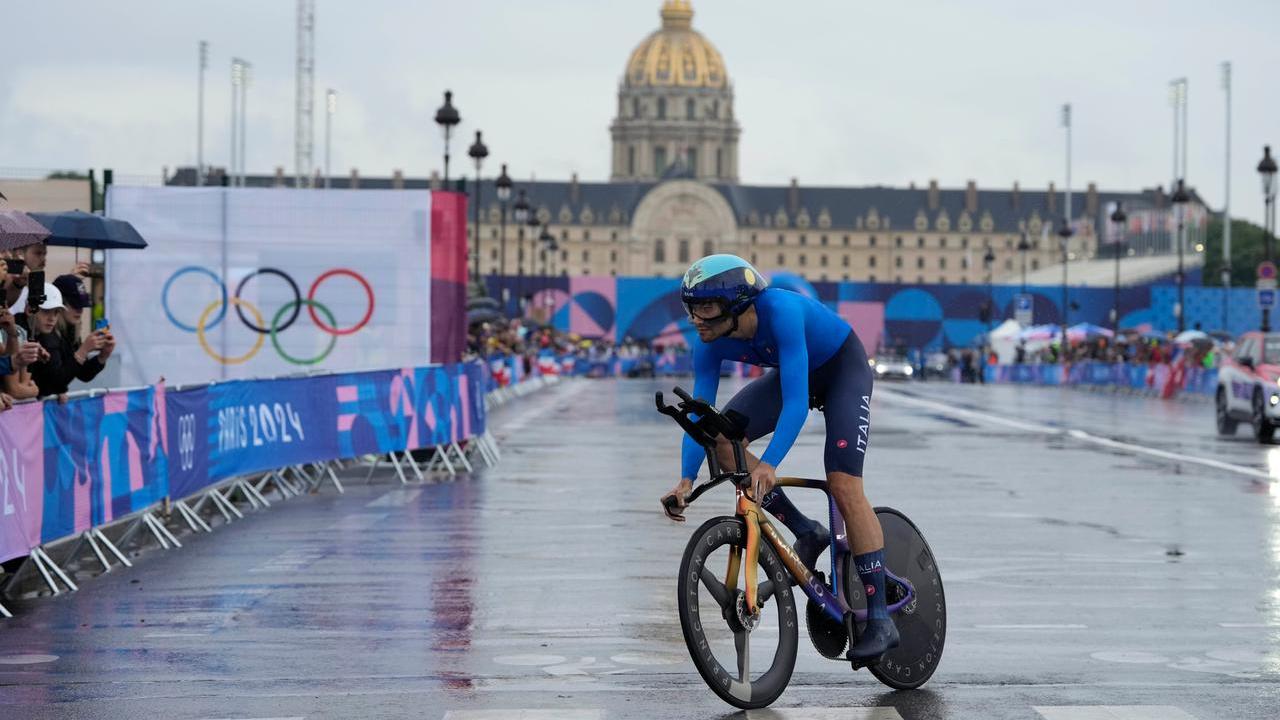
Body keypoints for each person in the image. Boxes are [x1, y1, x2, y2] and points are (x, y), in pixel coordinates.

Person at [660, 254, 898, 664]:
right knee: (721, 440)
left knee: (843, 483)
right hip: (797, 373)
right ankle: (808, 531)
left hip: (842, 369)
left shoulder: (782, 311)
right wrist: (686, 478)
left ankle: (881, 619)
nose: (696, 319)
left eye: (705, 307)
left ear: (735, 304)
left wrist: (769, 462)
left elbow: (796, 406)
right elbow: (701, 413)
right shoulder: (709, 343)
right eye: (691, 308)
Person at [25, 283, 114, 397]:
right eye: (75, 305)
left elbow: (83, 374)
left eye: (82, 305)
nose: (80, 311)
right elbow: (54, 382)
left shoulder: (70, 331)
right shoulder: (47, 333)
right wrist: (83, 351)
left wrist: (103, 355)